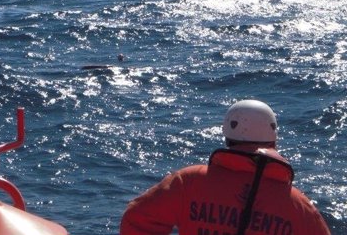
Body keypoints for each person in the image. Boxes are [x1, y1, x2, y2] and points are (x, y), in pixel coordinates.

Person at [119, 99, 331, 235]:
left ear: (227, 137)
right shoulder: (299, 206)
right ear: (273, 141)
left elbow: (136, 220)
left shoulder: (189, 182)